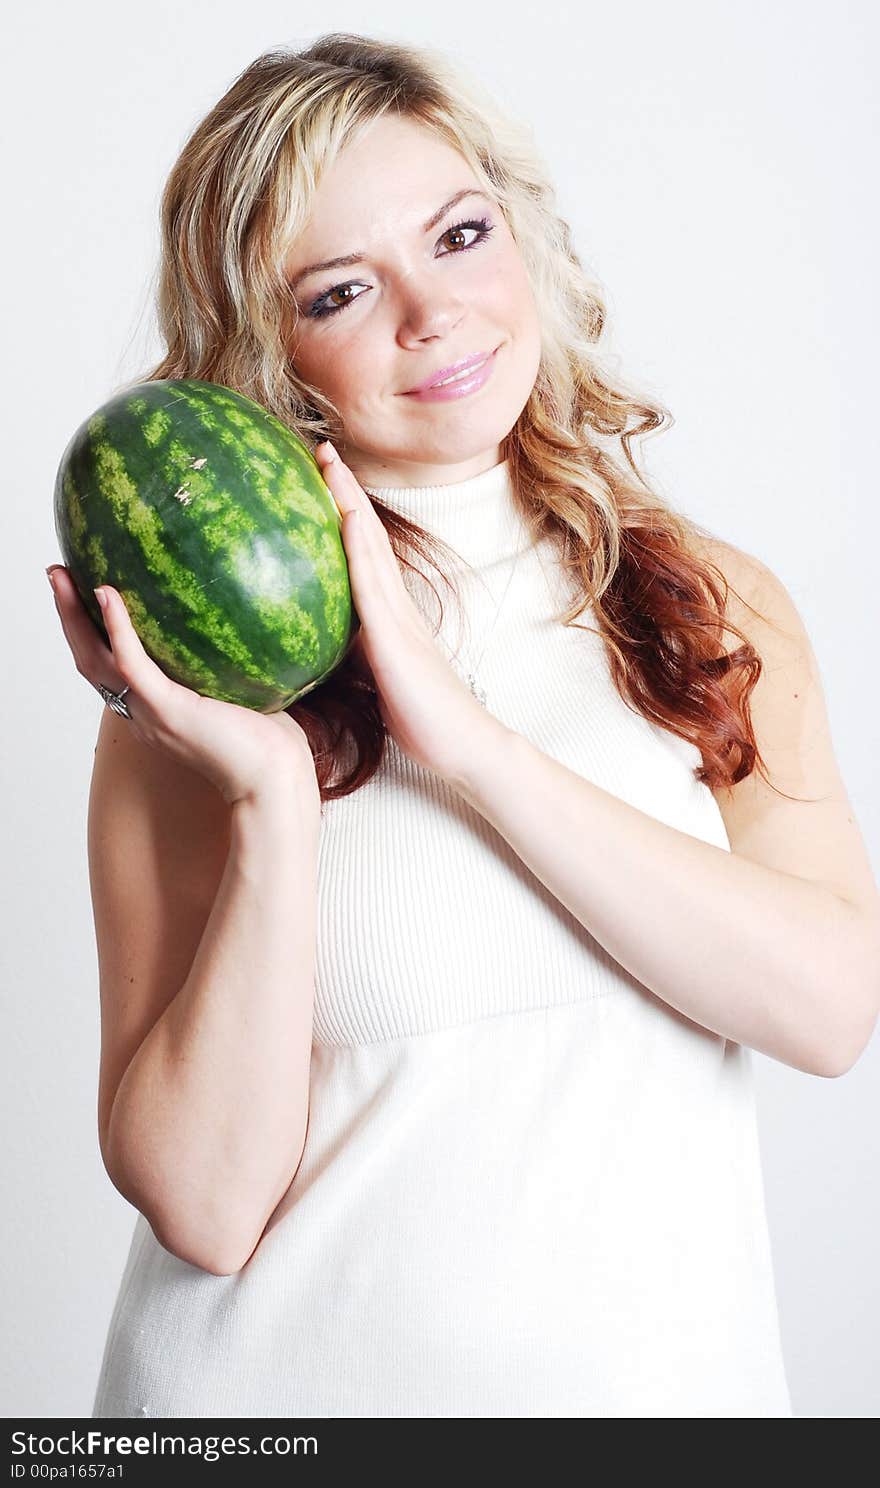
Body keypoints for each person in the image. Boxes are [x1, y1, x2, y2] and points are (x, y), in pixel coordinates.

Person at [46, 34, 879, 1420]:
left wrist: (474, 747)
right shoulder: (203, 695)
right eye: (342, 290)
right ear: (274, 355)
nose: (431, 316)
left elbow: (833, 1011)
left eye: (460, 234)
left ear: (523, 232)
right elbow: (202, 1205)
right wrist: (265, 804)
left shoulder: (699, 607)